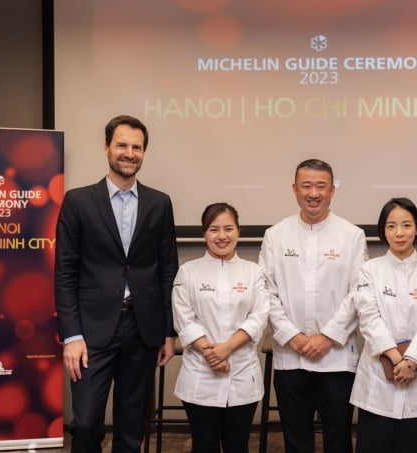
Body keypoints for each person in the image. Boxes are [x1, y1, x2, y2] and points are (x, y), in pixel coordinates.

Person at [54, 114, 179, 452]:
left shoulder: (159, 203)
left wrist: (168, 331)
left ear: (143, 153)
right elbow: (64, 271)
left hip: (143, 329)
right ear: (106, 147)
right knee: (86, 424)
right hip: (91, 332)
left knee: (132, 425)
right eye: (122, 145)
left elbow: (168, 270)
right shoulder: (78, 201)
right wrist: (72, 335)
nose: (129, 152)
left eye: (136, 147)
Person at [258, 158, 368, 453]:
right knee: (296, 439)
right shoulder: (276, 235)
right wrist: (292, 336)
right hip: (290, 357)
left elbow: (358, 293)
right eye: (306, 186)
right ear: (294, 189)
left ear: (333, 190)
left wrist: (327, 336)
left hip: (337, 357)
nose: (313, 193)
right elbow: (265, 292)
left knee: (339, 438)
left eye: (321, 186)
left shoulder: (352, 235)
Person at [350, 197, 417, 452]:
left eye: (406, 225)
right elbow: (370, 320)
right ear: (383, 230)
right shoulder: (369, 270)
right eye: (391, 226)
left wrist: (412, 362)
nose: (399, 233)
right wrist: (397, 360)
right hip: (379, 380)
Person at [171, 202, 270, 453]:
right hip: (200, 374)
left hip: (242, 373)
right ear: (204, 233)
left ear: (238, 231)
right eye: (214, 229)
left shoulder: (254, 272)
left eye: (228, 228)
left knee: (237, 445)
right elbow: (184, 318)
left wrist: (225, 349)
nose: (222, 236)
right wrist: (210, 353)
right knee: (204, 445)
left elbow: (258, 316)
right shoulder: (188, 272)